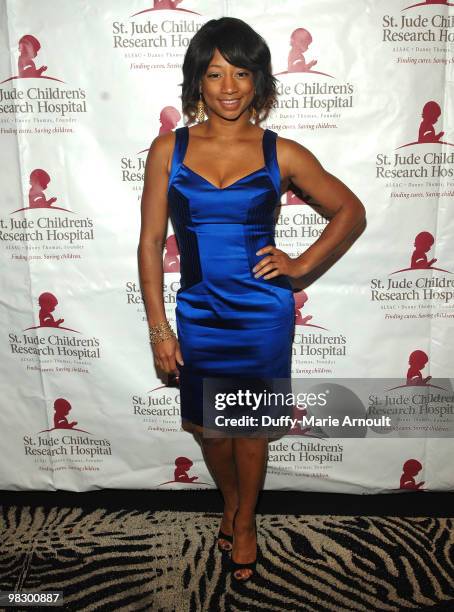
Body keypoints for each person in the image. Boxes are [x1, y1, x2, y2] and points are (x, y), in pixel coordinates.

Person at [138, 17, 365, 583]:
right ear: (198, 82)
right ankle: (232, 502)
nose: (229, 86)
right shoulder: (169, 148)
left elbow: (350, 212)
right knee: (211, 431)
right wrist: (160, 329)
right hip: (199, 313)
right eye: (215, 74)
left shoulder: (280, 152)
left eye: (241, 72)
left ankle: (244, 524)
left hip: (262, 314)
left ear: (259, 81)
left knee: (252, 429)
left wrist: (301, 266)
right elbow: (148, 243)